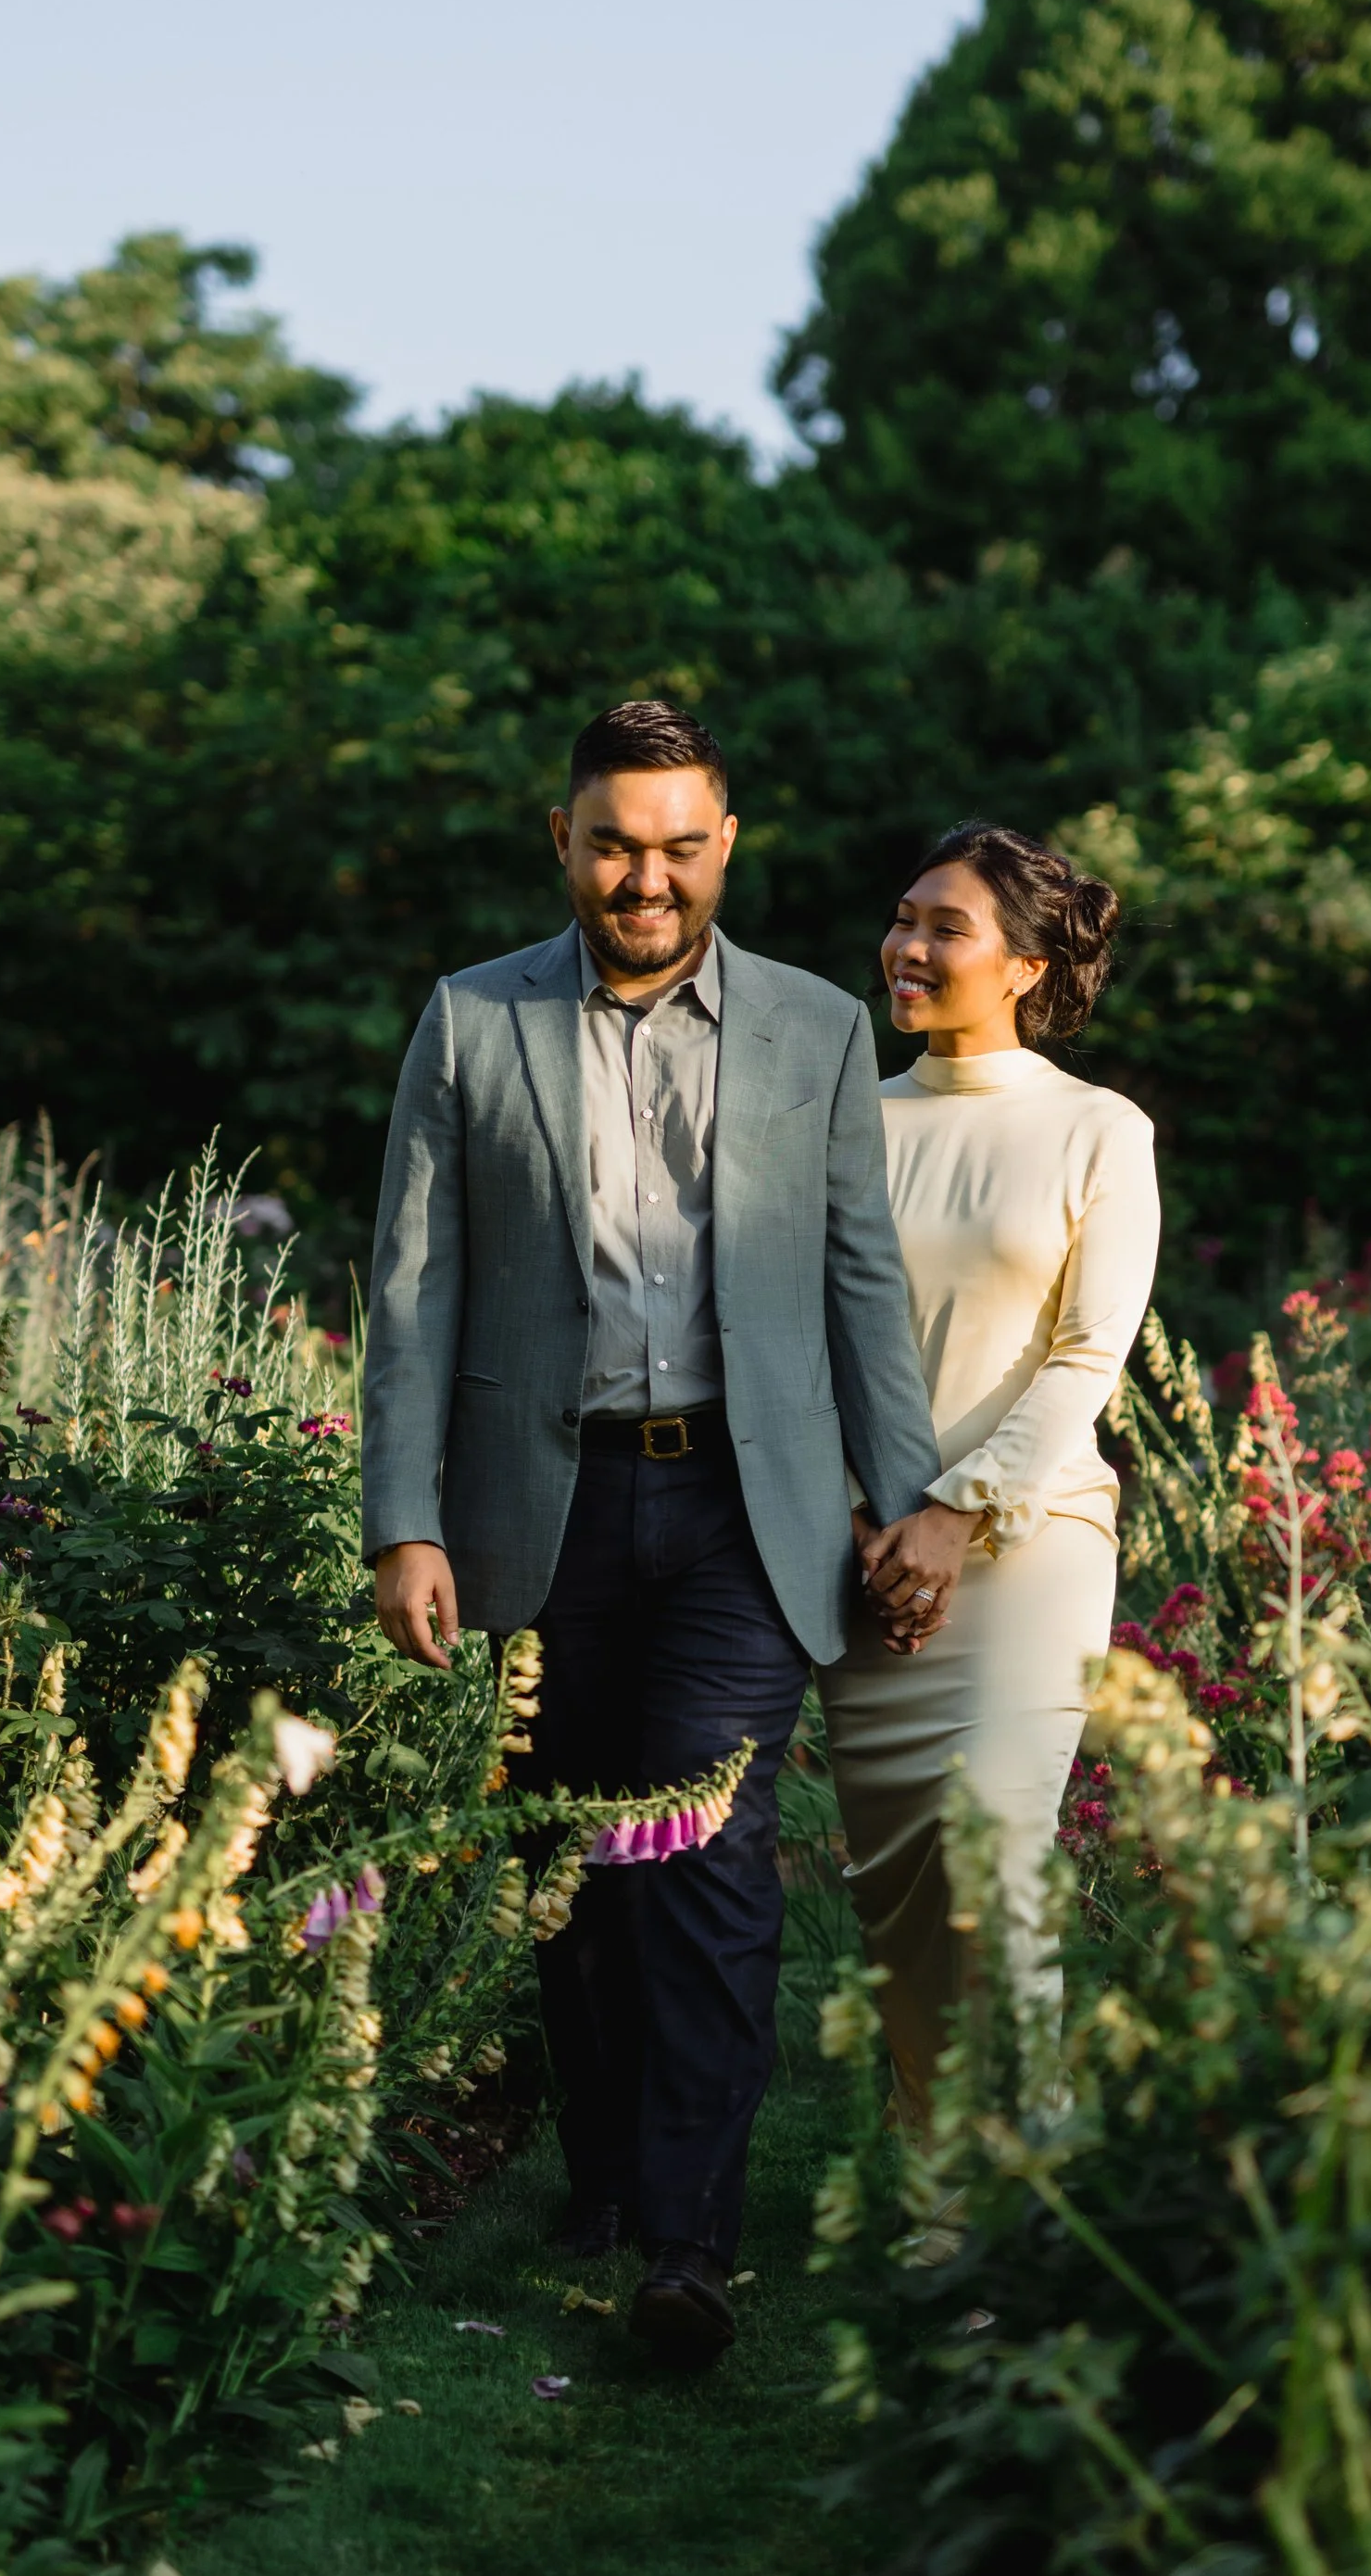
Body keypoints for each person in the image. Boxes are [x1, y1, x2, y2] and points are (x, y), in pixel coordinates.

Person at [359, 701, 956, 2367]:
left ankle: (690, 2241)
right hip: (534, 1505)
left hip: (735, 1506)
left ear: (726, 845)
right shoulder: (471, 1024)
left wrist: (905, 1501)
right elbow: (410, 1294)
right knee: (571, 1859)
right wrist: (403, 1521)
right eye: (617, 843)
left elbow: (859, 1282)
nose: (648, 877)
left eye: (680, 845)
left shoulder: (815, 1028)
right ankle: (609, 2169)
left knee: (703, 1849)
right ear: (563, 840)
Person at [820, 822, 1160, 2132]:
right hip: (865, 1555)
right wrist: (863, 1512)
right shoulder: (845, 1124)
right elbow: (801, 1337)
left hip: (1031, 1551)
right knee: (903, 1902)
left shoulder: (1097, 1132)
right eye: (902, 918)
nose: (906, 946)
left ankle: (1027, 2184)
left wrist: (957, 1514)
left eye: (942, 927)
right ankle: (941, 2179)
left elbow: (1090, 1354)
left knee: (993, 1866)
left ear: (1023, 965)